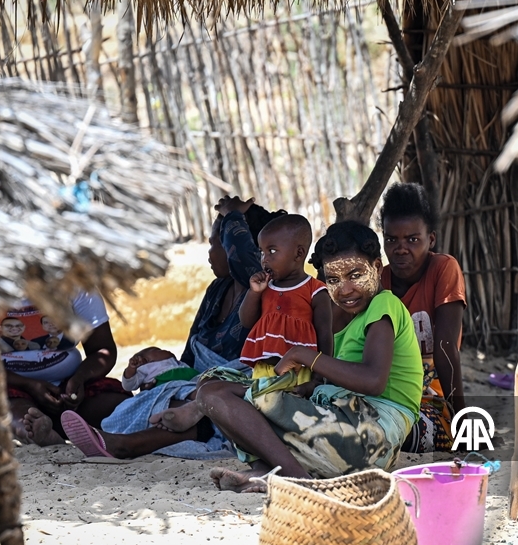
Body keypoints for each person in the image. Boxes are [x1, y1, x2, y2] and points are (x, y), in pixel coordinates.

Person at [197, 220, 424, 492]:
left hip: (371, 440)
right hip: (340, 430)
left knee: (257, 397)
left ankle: (294, 477)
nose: (345, 289)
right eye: (333, 280)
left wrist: (305, 356)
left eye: (355, 275)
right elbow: (331, 382)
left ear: (377, 267)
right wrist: (305, 386)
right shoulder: (341, 320)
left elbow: (373, 381)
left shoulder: (384, 303)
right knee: (214, 391)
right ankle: (273, 471)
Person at [59, 195, 284, 459]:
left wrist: (233, 215)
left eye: (215, 243)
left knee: (209, 403)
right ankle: (79, 438)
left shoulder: (263, 291)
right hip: (195, 387)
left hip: (235, 389)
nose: (209, 253)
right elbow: (190, 356)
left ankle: (126, 445)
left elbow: (247, 264)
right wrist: (165, 371)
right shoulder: (217, 291)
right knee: (162, 398)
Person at [0, 292, 129, 446]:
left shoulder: (78, 287)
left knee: (117, 404)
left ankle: (51, 424)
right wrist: (27, 384)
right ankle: (37, 429)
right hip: (1, 385)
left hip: (65, 386)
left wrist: (80, 379)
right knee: (14, 410)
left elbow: (102, 350)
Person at [380, 182, 466, 452]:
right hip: (389, 396)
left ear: (431, 239)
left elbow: (445, 348)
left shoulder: (443, 269)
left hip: (433, 399)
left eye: (412, 240)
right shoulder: (379, 281)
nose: (400, 248)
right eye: (391, 239)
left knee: (404, 435)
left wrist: (462, 420)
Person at [238, 214, 332, 385]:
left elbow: (325, 335)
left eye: (272, 251)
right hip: (263, 372)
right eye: (262, 252)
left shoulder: (315, 291)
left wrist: (319, 377)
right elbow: (246, 321)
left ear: (299, 253)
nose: (264, 259)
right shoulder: (266, 287)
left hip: (300, 374)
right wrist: (254, 293)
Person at [120, 346, 198, 392]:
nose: (140, 359)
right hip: (164, 386)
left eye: (158, 350)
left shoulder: (176, 363)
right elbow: (128, 386)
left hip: (188, 381)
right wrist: (131, 369)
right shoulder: (144, 368)